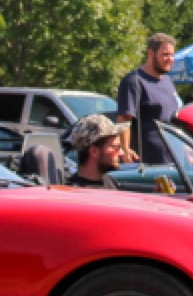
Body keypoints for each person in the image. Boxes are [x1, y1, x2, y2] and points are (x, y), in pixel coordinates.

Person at [116, 33, 183, 166]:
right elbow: (124, 119)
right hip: (148, 164)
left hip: (173, 160)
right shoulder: (134, 81)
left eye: (172, 55)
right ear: (151, 53)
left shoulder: (168, 81)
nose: (170, 59)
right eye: (165, 55)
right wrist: (125, 149)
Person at [64, 114, 124, 188]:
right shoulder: (74, 191)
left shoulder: (109, 182)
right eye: (115, 147)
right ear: (94, 152)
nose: (121, 153)